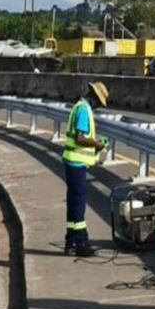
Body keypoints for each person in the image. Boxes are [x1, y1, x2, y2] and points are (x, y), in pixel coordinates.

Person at [62, 81, 108, 257]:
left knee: (74, 202)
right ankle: (81, 242)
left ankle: (71, 240)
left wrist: (95, 145)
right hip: (76, 163)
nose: (98, 107)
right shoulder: (84, 110)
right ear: (95, 98)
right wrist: (96, 143)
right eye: (99, 103)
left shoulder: (79, 106)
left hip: (73, 161)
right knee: (79, 202)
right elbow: (81, 138)